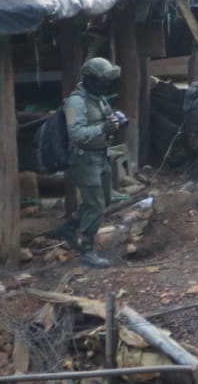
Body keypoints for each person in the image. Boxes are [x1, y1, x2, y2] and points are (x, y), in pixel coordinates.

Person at [63, 57, 124, 268]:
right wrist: (102, 129)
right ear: (90, 79)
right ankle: (86, 250)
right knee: (95, 204)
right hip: (84, 159)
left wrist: (115, 121)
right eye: (101, 81)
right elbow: (76, 133)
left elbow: (104, 120)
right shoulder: (76, 102)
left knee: (104, 200)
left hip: (101, 156)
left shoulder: (98, 98)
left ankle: (70, 226)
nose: (104, 85)